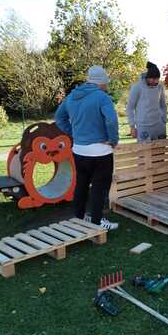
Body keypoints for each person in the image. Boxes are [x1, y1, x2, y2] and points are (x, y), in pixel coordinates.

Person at [55, 65, 120, 230]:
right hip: (101, 152)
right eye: (106, 82)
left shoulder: (71, 97)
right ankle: (97, 222)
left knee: (81, 185)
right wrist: (113, 140)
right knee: (99, 187)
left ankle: (79, 217)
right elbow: (111, 121)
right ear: (101, 82)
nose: (106, 85)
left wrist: (73, 133)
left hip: (79, 151)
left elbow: (59, 118)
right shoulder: (102, 97)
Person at [127, 62, 167, 143]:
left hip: (159, 126)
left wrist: (164, 119)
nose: (155, 82)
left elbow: (163, 105)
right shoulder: (137, 87)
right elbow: (130, 107)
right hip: (143, 127)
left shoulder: (160, 87)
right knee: (144, 153)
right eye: (153, 79)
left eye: (157, 79)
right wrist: (132, 126)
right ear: (147, 77)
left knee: (160, 153)